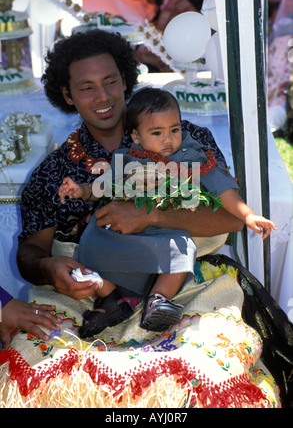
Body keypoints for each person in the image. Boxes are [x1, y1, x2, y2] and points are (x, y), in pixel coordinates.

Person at [16, 29, 243, 338]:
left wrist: (153, 216)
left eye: (110, 82)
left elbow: (230, 218)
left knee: (209, 360)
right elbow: (31, 252)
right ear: (67, 95)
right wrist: (49, 268)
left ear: (125, 80)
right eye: (86, 87)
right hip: (89, 299)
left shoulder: (182, 140)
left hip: (184, 286)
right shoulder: (53, 173)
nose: (103, 96)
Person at [58, 87, 276, 337]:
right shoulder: (127, 158)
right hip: (127, 234)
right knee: (91, 243)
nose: (168, 139)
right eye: (157, 132)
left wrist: (248, 215)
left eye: (174, 129)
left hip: (164, 232)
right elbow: (105, 186)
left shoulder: (191, 156)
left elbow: (221, 187)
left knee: (182, 248)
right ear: (136, 136)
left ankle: (158, 300)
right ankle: (110, 298)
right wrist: (82, 190)